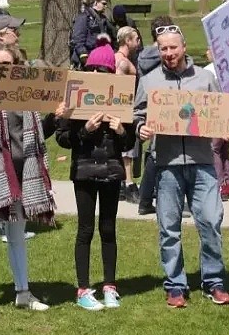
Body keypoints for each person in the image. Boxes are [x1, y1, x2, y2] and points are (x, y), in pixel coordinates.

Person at [134, 24, 229, 308]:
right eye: (163, 48)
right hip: (166, 164)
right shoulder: (150, 80)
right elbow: (138, 114)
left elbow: (219, 113)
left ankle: (214, 281)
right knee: (169, 227)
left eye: (173, 47)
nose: (168, 53)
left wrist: (225, 128)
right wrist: (141, 128)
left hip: (202, 162)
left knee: (211, 222)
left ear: (184, 47)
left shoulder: (204, 78)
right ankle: (175, 285)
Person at [0, 44, 61, 321]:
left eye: (7, 63)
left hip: (21, 180)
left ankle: (23, 293)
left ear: (18, 67)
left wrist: (55, 116)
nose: (1, 68)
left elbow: (39, 134)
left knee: (17, 239)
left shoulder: (24, 95)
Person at [55, 38, 135, 310]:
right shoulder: (76, 98)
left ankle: (110, 285)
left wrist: (122, 131)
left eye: (104, 73)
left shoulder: (121, 100)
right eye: (95, 72)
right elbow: (63, 139)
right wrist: (85, 130)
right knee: (85, 229)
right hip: (85, 171)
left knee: (109, 228)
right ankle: (83, 289)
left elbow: (130, 143)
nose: (99, 77)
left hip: (111, 171)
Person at [134, 16, 174, 215]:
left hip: (148, 98)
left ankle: (145, 198)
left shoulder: (143, 55)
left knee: (154, 150)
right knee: (159, 152)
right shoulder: (164, 56)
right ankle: (156, 199)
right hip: (163, 101)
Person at [112, 27, 141, 202]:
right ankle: (128, 184)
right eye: (136, 39)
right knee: (128, 149)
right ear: (127, 41)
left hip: (125, 107)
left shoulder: (119, 59)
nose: (138, 42)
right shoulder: (122, 63)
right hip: (124, 108)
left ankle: (124, 183)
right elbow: (120, 88)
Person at [204, 48, 229, 201]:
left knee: (215, 149)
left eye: (209, 49)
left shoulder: (207, 72)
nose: (206, 52)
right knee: (225, 149)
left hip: (217, 111)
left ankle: (220, 185)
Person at [70, 0, 116, 68]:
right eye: (103, 4)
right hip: (84, 60)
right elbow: (78, 40)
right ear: (95, 3)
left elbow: (113, 35)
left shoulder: (103, 19)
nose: (106, 6)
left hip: (98, 59)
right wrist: (84, 57)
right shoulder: (83, 17)